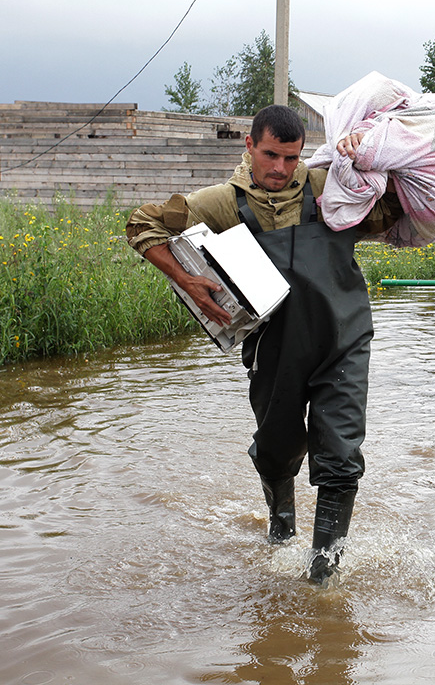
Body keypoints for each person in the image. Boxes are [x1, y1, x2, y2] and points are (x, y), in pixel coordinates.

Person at [125, 104, 402, 584]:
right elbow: (141, 224)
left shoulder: (327, 187)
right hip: (275, 348)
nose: (281, 169)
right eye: (271, 155)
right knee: (277, 449)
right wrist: (187, 280)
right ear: (249, 145)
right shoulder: (223, 203)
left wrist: (370, 157)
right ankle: (281, 529)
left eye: (292, 158)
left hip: (344, 339)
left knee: (340, 456)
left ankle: (322, 577)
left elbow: (390, 211)